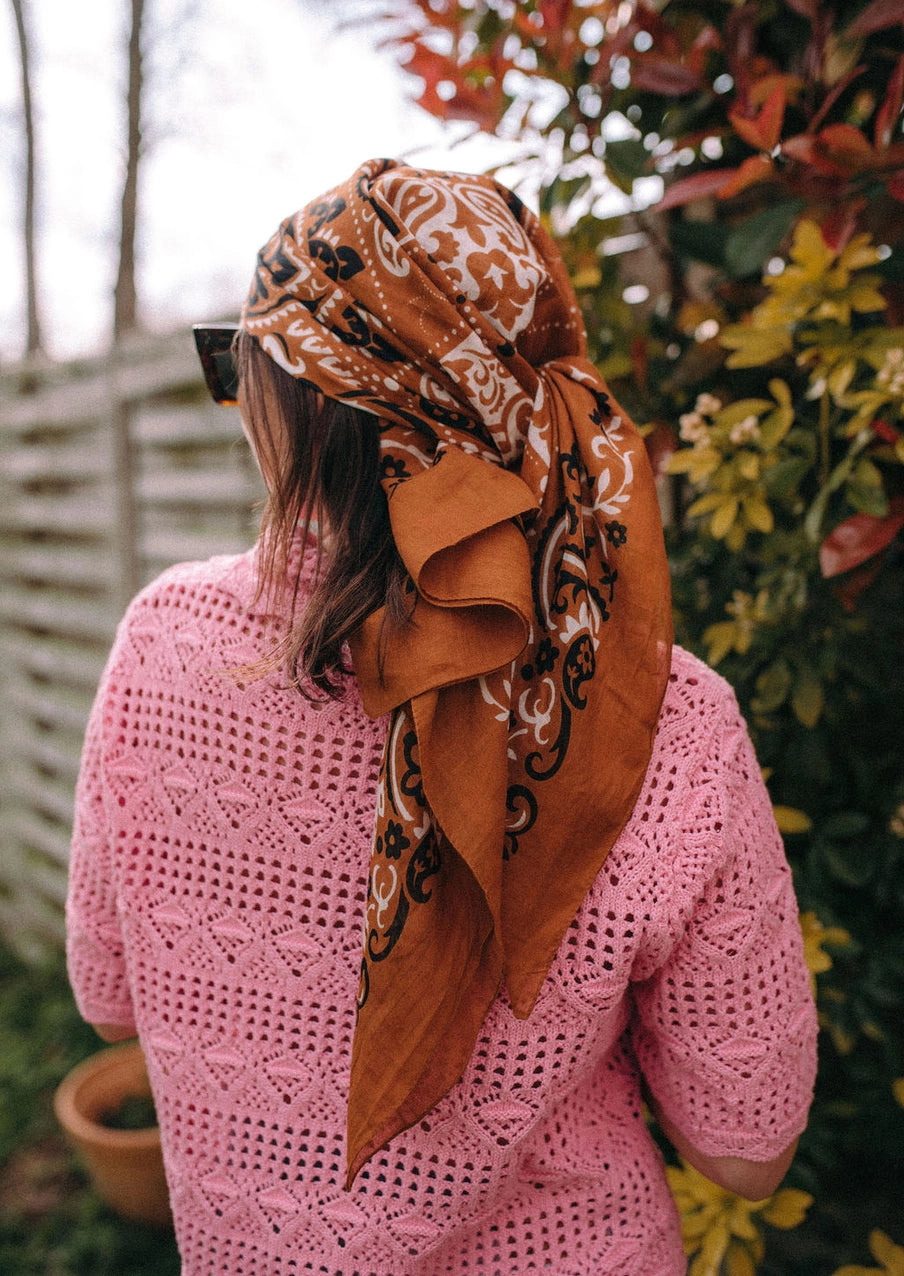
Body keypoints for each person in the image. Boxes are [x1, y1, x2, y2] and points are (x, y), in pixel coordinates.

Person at [66, 159, 818, 1275]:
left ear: (289, 403)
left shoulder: (165, 644)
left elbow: (110, 996)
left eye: (239, 369)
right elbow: (747, 1148)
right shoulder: (661, 720)